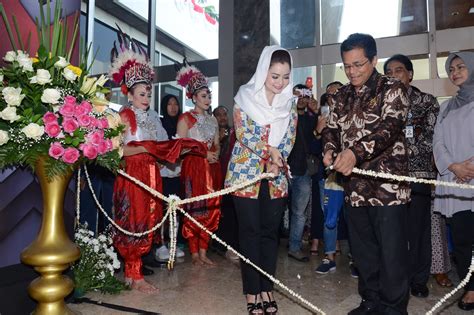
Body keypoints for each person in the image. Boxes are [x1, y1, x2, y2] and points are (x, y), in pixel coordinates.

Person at [322, 33, 410, 314]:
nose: (352, 71)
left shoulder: (393, 88)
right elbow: (331, 129)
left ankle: (394, 308)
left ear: (374, 60)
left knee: (391, 253)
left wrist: (354, 153)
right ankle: (371, 302)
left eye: (358, 64)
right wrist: (329, 148)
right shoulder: (341, 96)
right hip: (355, 188)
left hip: (388, 188)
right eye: (347, 66)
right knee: (363, 252)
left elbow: (389, 129)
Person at [225, 45, 297, 315]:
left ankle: (267, 287)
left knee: (270, 235)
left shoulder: (290, 104)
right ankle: (252, 291)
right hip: (245, 176)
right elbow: (244, 134)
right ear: (263, 71)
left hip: (276, 177)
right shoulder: (244, 98)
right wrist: (271, 152)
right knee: (250, 234)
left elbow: (289, 138)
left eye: (286, 76)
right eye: (275, 76)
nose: (280, 83)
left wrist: (278, 156)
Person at [109, 40, 169, 293]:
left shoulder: (152, 118)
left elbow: (159, 145)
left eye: (148, 94)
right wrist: (145, 149)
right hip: (132, 173)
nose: (146, 98)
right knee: (133, 219)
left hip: (151, 173)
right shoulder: (122, 117)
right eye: (141, 94)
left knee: (149, 218)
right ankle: (134, 273)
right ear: (129, 94)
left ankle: (133, 273)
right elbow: (116, 150)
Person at [384, 54, 440, 298]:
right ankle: (398, 280)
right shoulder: (383, 104)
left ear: (410, 74)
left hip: (418, 176)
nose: (393, 75)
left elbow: (432, 139)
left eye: (398, 70)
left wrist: (400, 148)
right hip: (389, 178)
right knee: (394, 232)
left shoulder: (426, 101)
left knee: (417, 231)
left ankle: (419, 280)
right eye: (389, 72)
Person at [433, 51, 474, 311]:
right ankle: (470, 288)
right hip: (455, 180)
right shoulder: (446, 107)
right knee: (461, 239)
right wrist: (453, 166)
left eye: (461, 67)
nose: (455, 72)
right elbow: (437, 141)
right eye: (452, 69)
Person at [176, 65, 221, 266]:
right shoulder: (185, 118)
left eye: (208, 95)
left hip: (211, 168)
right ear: (194, 97)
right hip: (194, 168)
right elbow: (181, 147)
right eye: (203, 95)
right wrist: (203, 153)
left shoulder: (213, 120)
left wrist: (215, 154)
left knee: (212, 208)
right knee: (194, 207)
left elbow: (218, 143)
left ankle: (204, 251)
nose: (207, 98)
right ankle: (194, 252)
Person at [287, 83, 318, 262]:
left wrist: (315, 113)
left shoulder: (311, 118)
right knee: (277, 210)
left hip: (304, 171)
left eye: (305, 95)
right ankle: (272, 243)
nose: (301, 98)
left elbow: (317, 138)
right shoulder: (283, 116)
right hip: (283, 169)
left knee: (299, 212)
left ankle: (294, 247)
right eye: (297, 95)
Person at [155, 94, 186, 262]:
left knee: (175, 208)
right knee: (161, 209)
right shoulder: (159, 124)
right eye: (169, 104)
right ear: (164, 106)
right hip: (163, 172)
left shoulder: (182, 124)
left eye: (175, 104)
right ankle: (160, 245)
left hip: (178, 172)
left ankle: (173, 243)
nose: (173, 107)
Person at [212, 105, 239, 261]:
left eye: (224, 114)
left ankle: (230, 246)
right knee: (217, 212)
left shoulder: (233, 131)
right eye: (219, 114)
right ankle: (217, 245)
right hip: (215, 177)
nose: (222, 117)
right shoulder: (212, 131)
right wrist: (219, 140)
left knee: (230, 213)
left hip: (231, 178)